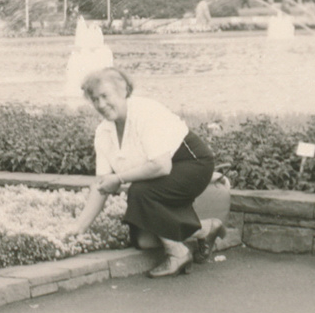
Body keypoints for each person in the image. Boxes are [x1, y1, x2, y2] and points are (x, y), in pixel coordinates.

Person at [67, 67, 226, 277]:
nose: (101, 105)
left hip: (192, 164)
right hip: (161, 178)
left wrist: (119, 178)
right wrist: (78, 227)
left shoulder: (144, 112)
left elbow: (161, 165)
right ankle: (206, 229)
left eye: (105, 96)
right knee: (143, 240)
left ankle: (177, 253)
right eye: (95, 99)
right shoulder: (103, 133)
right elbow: (102, 186)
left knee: (139, 193)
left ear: (123, 90)